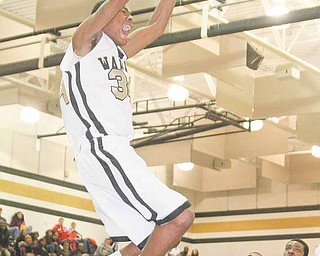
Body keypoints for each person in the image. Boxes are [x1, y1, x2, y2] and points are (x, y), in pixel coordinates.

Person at [59, 1, 195, 256]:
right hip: (102, 146)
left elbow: (156, 26)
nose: (130, 18)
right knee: (180, 217)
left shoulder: (118, 52)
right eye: (124, 12)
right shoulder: (84, 43)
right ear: (105, 17)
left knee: (150, 240)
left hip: (109, 151)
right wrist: (113, 8)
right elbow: (105, 10)